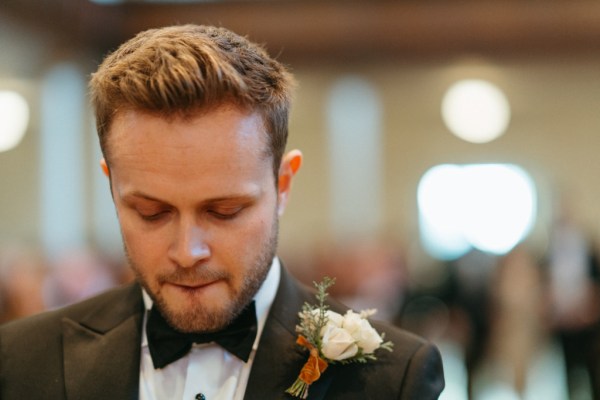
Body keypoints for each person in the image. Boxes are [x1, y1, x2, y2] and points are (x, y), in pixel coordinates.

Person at [0, 24, 444, 399]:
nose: (188, 252)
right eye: (152, 212)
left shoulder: (393, 378)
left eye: (225, 211)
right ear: (112, 188)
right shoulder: (20, 361)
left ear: (282, 185)